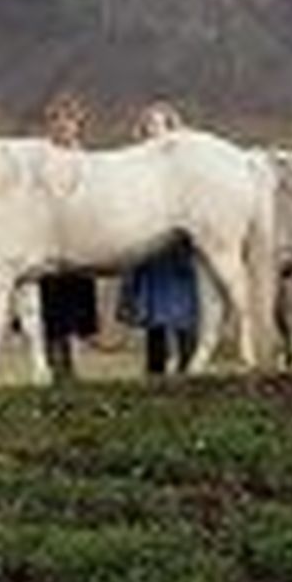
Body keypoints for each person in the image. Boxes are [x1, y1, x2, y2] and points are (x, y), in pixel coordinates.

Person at [116, 102, 200, 377]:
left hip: (177, 250)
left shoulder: (188, 166)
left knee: (184, 314)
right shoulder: (133, 165)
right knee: (154, 317)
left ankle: (188, 369)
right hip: (150, 251)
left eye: (159, 124)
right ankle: (155, 373)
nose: (154, 131)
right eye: (149, 125)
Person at [39, 91, 101, 383]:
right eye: (57, 120)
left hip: (79, 244)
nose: (63, 126)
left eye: (69, 120)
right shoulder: (39, 160)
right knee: (49, 310)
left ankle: (72, 368)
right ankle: (54, 368)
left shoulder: (88, 161)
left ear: (79, 125)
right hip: (46, 245)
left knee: (74, 309)